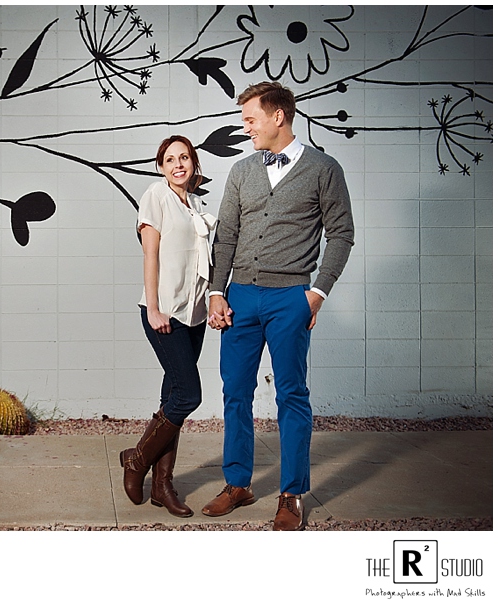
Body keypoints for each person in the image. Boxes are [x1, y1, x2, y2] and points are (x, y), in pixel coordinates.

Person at [202, 81, 355, 530]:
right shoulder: (242, 171)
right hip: (240, 297)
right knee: (235, 392)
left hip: (291, 297)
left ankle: (291, 494)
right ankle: (238, 484)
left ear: (278, 117)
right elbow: (225, 235)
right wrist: (216, 291)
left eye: (250, 119)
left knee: (291, 395)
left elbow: (341, 234)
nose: (245, 127)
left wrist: (317, 292)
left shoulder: (324, 169)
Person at [120, 135, 217, 518]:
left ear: (193, 164)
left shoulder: (197, 205)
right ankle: (137, 461)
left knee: (171, 398)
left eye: (185, 158)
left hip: (195, 317)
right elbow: (151, 255)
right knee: (188, 395)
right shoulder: (155, 196)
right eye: (171, 159)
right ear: (161, 166)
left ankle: (162, 486)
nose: (179, 164)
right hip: (166, 314)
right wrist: (154, 308)